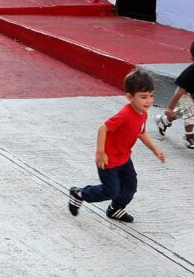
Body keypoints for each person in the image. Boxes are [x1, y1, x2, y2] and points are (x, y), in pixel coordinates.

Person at [68, 69, 167, 223]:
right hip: (108, 160)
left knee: (130, 187)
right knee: (110, 191)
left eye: (151, 96)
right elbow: (103, 128)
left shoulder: (142, 113)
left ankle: (116, 209)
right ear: (129, 97)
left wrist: (155, 149)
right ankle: (80, 194)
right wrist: (100, 152)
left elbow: (141, 133)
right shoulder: (125, 114)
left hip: (124, 158)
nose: (149, 101)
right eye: (143, 97)